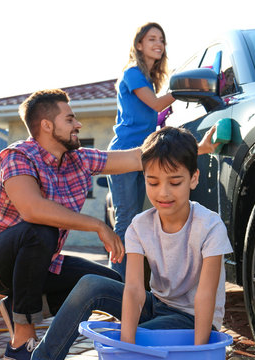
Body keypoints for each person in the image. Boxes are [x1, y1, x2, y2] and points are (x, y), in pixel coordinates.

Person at [0, 90, 217, 360]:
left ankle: (18, 305)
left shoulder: (79, 160)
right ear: (47, 125)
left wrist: (195, 149)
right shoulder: (17, 156)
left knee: (108, 282)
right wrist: (98, 225)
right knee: (40, 229)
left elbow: (136, 158)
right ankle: (22, 337)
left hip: (36, 261)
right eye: (70, 119)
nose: (78, 125)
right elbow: (32, 209)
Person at [32, 126, 232, 360]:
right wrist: (126, 345)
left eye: (175, 182)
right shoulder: (139, 225)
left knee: (140, 339)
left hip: (193, 319)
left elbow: (205, 296)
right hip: (156, 306)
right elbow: (135, 289)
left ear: (193, 179)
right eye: (153, 182)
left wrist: (200, 352)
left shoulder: (210, 226)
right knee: (90, 285)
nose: (163, 193)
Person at [107, 22, 176, 280]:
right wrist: (185, 88)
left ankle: (132, 284)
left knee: (135, 222)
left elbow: (152, 111)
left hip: (142, 156)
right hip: (124, 154)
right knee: (126, 221)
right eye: (152, 39)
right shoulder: (133, 73)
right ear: (139, 45)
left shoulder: (147, 79)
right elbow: (157, 103)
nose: (159, 44)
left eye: (162, 40)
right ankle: (117, 286)